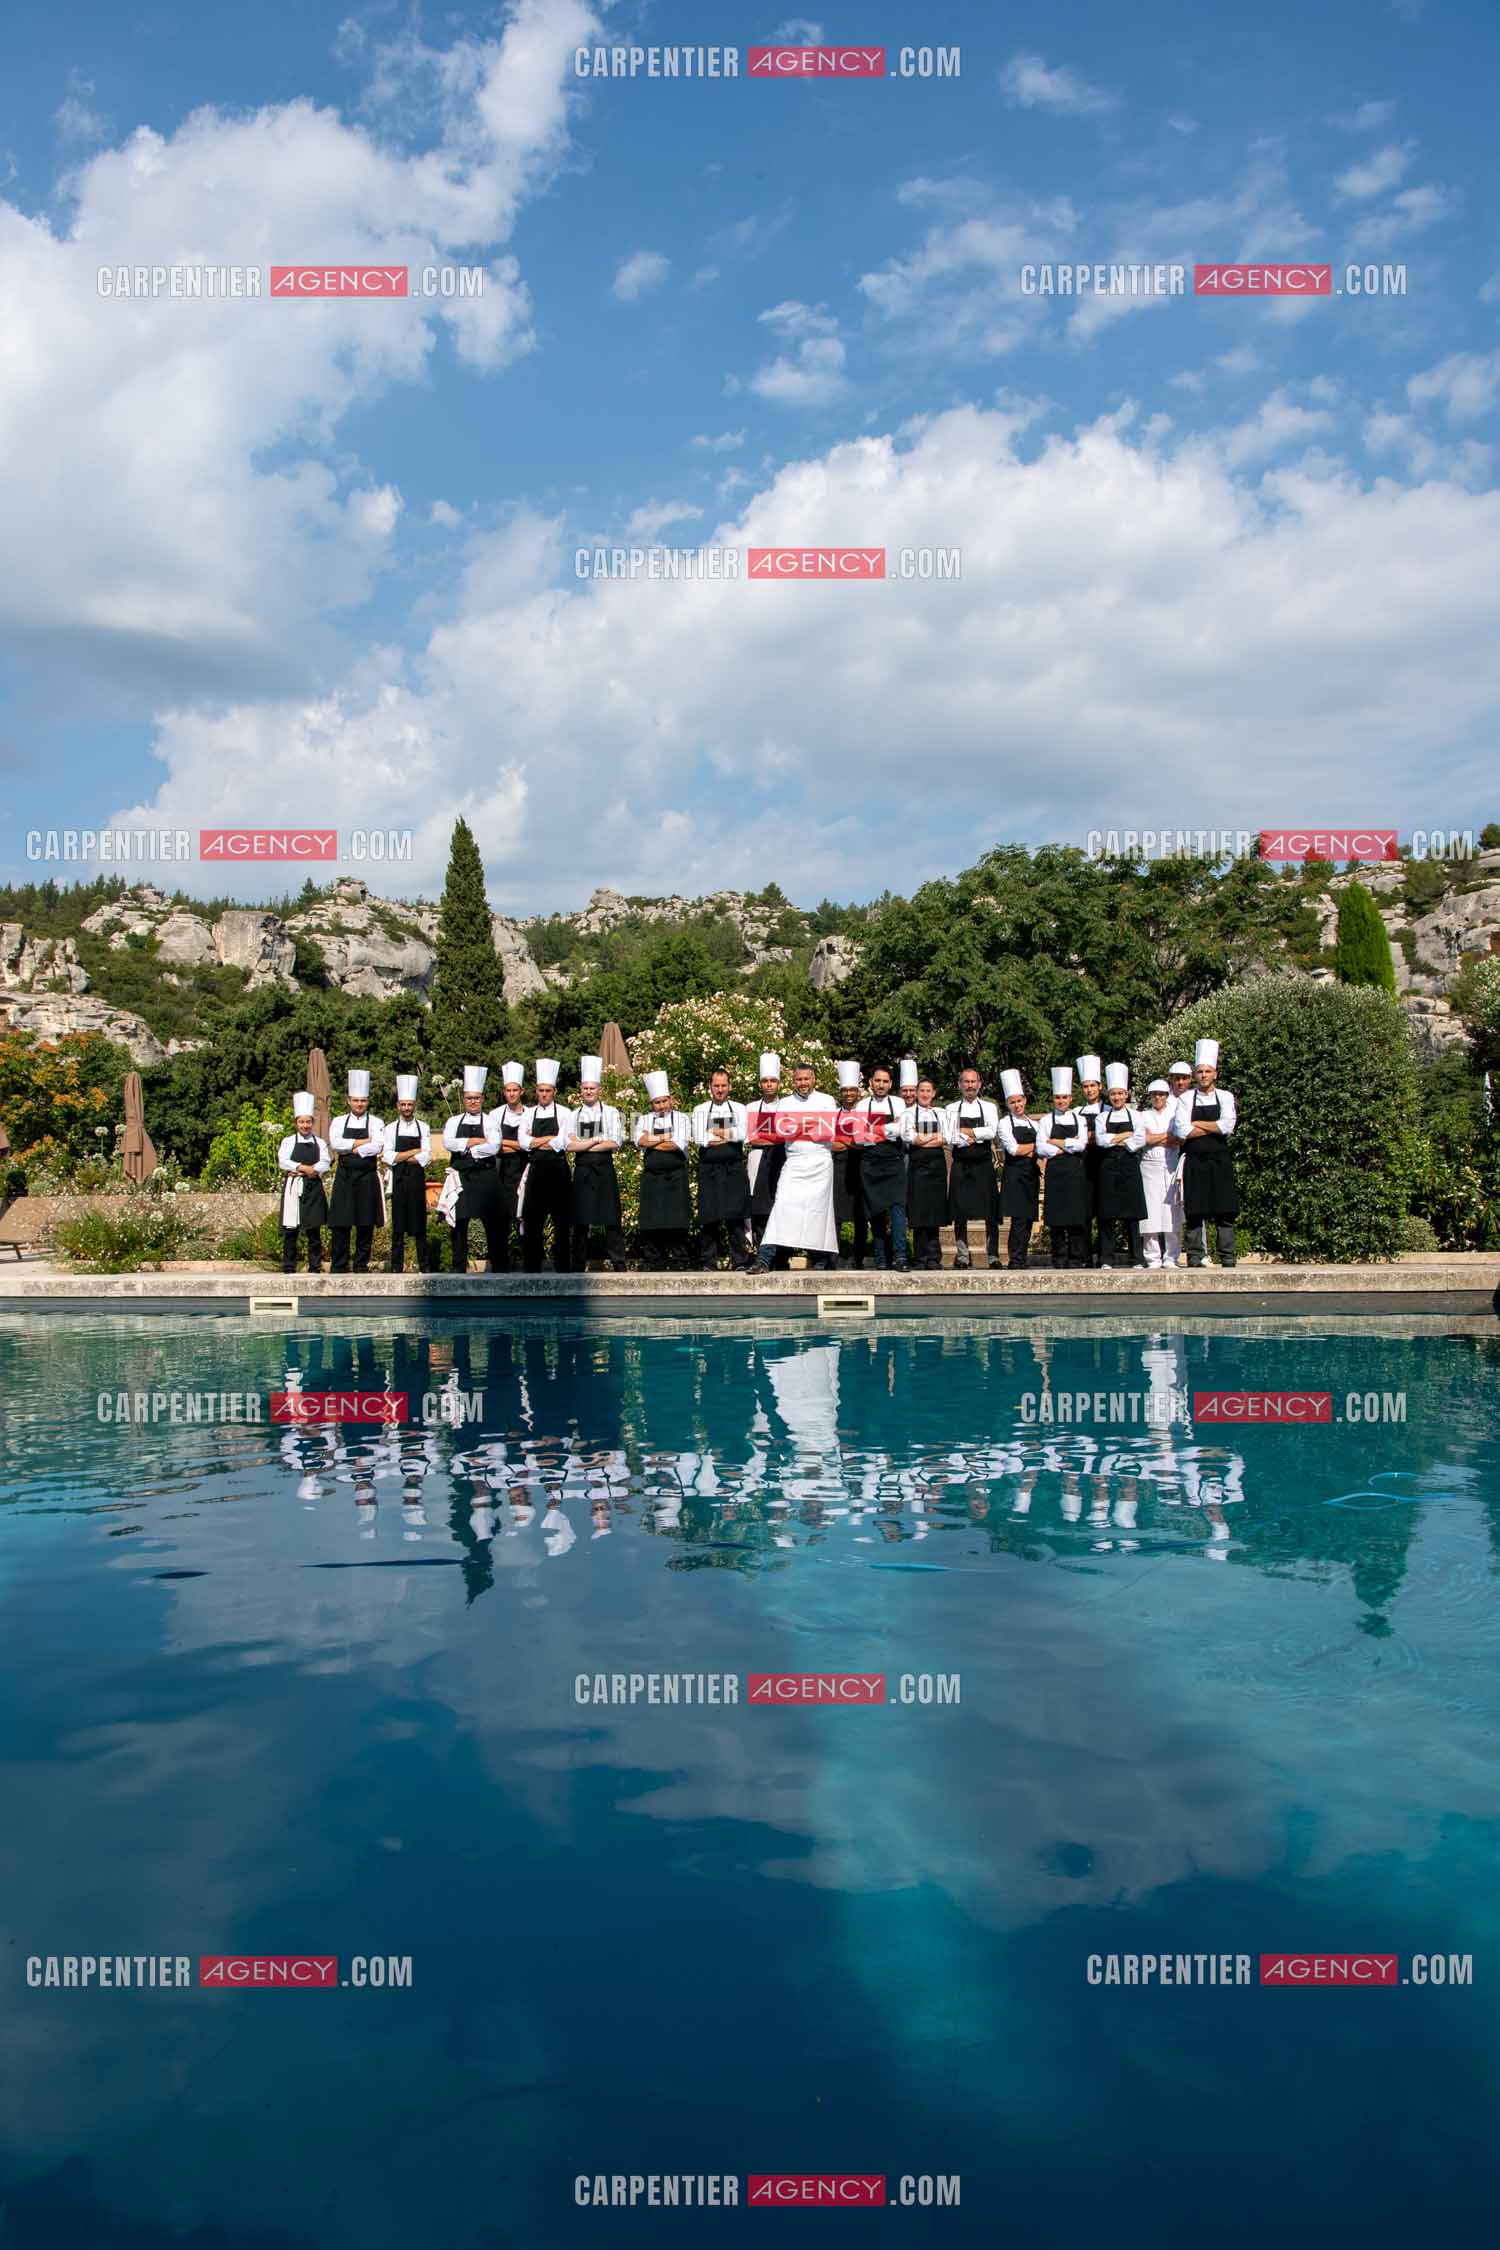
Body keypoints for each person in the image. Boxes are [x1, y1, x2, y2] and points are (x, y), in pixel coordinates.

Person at [759, 1062, 838, 1270]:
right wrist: (811, 1123)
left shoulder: (827, 1100)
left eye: (806, 1079)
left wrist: (797, 1126)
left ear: (814, 1079)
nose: (803, 1083)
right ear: (794, 1081)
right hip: (794, 1162)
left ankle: (820, 1260)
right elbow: (782, 1130)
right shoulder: (785, 1103)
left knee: (818, 1212)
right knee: (782, 1206)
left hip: (820, 1162)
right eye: (799, 1079)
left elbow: (828, 1131)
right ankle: (765, 1258)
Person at [1174, 1037, 1239, 1268]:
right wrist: (1213, 1127)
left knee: (1225, 1209)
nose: (1203, 1075)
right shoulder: (1185, 1099)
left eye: (1207, 1071)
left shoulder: (1226, 1097)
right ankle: (1193, 1255)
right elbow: (1181, 1130)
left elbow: (1228, 1126)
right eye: (1199, 1071)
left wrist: (1197, 1125)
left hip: (1219, 1159)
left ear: (1215, 1074)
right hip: (1194, 1160)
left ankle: (1227, 1257)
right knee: (1195, 1210)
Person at [568, 1055, 627, 1271]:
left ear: (599, 1089)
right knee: (581, 1221)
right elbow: (568, 1145)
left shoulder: (611, 1113)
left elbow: (615, 1142)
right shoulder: (573, 1115)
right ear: (581, 1090)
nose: (589, 1092)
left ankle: (619, 1264)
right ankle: (577, 1265)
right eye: (585, 1088)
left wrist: (583, 1143)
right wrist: (596, 1140)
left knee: (611, 1219)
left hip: (604, 1170)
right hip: (582, 1172)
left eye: (592, 1088)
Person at [444, 1066, 504, 1273]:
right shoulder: (453, 1121)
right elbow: (448, 1143)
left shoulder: (491, 1121)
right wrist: (477, 1141)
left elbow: (494, 1146)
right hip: (461, 1177)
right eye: (469, 1098)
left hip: (486, 1177)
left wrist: (466, 1146)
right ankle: (458, 1267)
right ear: (464, 1098)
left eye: (476, 1098)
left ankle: (498, 1267)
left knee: (492, 1223)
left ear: (482, 1098)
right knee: (459, 1224)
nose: (472, 1101)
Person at [692, 1066, 752, 1271]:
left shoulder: (739, 1108)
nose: (719, 1089)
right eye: (716, 1085)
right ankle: (708, 1261)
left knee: (735, 1217)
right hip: (709, 1170)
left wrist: (714, 1133)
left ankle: (740, 1261)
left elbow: (742, 1134)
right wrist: (728, 1135)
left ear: (730, 1086)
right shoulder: (700, 1109)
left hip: (734, 1169)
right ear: (710, 1087)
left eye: (723, 1085)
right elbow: (701, 1139)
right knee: (710, 1217)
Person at [634, 1070, 693, 1268]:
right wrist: (664, 1137)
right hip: (652, 1176)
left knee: (678, 1218)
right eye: (657, 1102)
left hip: (676, 1175)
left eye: (664, 1101)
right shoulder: (643, 1119)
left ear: (671, 1100)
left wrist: (652, 1140)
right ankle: (652, 1259)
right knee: (651, 1219)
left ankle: (680, 1259)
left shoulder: (683, 1118)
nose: (661, 1106)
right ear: (652, 1104)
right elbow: (639, 1140)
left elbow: (677, 1144)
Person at [853, 1063, 909, 1270]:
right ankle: (881, 1258)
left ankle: (900, 1256)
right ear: (870, 1082)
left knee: (897, 1211)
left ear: (891, 1084)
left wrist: (873, 1129)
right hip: (870, 1164)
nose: (881, 1085)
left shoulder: (899, 1103)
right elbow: (858, 1138)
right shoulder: (861, 1106)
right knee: (875, 1212)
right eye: (877, 1080)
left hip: (894, 1162)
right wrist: (889, 1128)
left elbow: (903, 1131)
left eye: (885, 1081)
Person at [521, 1060, 574, 1271]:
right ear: (536, 1091)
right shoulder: (527, 1113)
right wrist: (548, 1140)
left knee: (562, 1221)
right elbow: (524, 1143)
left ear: (554, 1091)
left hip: (559, 1170)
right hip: (536, 1170)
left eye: (548, 1091)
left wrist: (536, 1141)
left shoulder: (565, 1113)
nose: (544, 1094)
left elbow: (562, 1143)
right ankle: (532, 1267)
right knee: (533, 1220)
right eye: (541, 1091)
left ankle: (563, 1267)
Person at [945, 1066, 1000, 1268]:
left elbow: (992, 1131)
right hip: (960, 1164)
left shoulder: (989, 1107)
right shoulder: (951, 1109)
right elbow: (950, 1136)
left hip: (984, 1164)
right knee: (959, 1212)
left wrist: (967, 1133)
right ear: (960, 1085)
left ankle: (993, 1256)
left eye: (973, 1082)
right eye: (966, 1082)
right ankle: (962, 1256)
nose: (970, 1086)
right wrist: (975, 1134)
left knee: (991, 1212)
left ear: (979, 1084)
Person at [1037, 1065, 1090, 1268]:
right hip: (1055, 1172)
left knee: (1076, 1216)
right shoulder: (1045, 1120)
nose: (1061, 1101)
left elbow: (1082, 1144)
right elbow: (1041, 1148)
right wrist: (1068, 1144)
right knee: (1056, 1217)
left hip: (1075, 1172)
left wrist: (1056, 1142)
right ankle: (1058, 1258)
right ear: (1054, 1099)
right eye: (1058, 1097)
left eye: (1065, 1097)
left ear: (1070, 1099)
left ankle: (1076, 1258)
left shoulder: (1080, 1118)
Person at [1095, 1063, 1147, 1268]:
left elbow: (1140, 1140)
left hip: (1129, 1166)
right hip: (1107, 1167)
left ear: (1126, 1095)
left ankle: (1137, 1258)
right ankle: (1106, 1258)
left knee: (1132, 1214)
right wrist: (1126, 1135)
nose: (1116, 1097)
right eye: (1113, 1094)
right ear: (1109, 1096)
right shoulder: (1101, 1117)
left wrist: (1115, 1139)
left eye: (1120, 1093)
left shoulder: (1136, 1115)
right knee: (1107, 1214)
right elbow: (1100, 1141)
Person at [383, 1074, 432, 1273]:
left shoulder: (424, 1127)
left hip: (417, 1181)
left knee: (420, 1226)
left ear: (414, 1105)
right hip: (399, 1180)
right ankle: (396, 1267)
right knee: (398, 1228)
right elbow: (387, 1157)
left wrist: (400, 1156)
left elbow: (427, 1157)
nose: (406, 1108)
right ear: (397, 1106)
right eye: (403, 1104)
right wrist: (414, 1152)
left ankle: (425, 1267)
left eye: (409, 1104)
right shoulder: (390, 1129)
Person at [278, 1094, 330, 1273]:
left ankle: (315, 1266)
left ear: (312, 1122)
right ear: (296, 1123)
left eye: (308, 1122)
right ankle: (289, 1266)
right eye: (302, 1122)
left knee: (313, 1230)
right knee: (290, 1230)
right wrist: (303, 1168)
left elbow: (325, 1162)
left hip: (313, 1187)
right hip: (294, 1188)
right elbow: (283, 1162)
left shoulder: (320, 1142)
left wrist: (311, 1170)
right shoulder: (288, 1141)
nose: (305, 1125)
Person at [901, 1077, 949, 1268]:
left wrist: (923, 1138)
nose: (925, 1094)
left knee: (934, 1212)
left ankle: (934, 1257)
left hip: (937, 1167)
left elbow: (948, 1137)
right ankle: (920, 1257)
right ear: (916, 1093)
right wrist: (934, 1137)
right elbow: (909, 1137)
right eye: (922, 1090)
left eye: (928, 1091)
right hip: (917, 1166)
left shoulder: (942, 1113)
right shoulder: (907, 1114)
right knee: (918, 1211)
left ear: (934, 1093)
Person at [996, 1068, 1042, 1270]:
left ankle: (1022, 1258)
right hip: (1014, 1175)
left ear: (1025, 1100)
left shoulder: (1035, 1123)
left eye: (1019, 1101)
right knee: (1018, 1219)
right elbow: (1014, 1149)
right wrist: (1035, 1147)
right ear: (1008, 1104)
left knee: (1030, 1218)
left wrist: (1032, 1150)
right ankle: (1015, 1260)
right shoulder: (1004, 1123)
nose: (1017, 1105)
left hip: (1031, 1174)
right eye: (1012, 1102)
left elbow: (1044, 1148)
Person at [1139, 1079, 1184, 1269]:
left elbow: (1178, 1138)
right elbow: (1142, 1138)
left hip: (1170, 1165)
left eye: (1162, 1094)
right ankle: (1152, 1257)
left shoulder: (1175, 1115)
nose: (1158, 1097)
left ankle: (1171, 1257)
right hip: (1148, 1166)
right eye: (1155, 1094)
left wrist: (1154, 1138)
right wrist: (1164, 1137)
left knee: (1172, 1212)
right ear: (1150, 1096)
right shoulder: (1142, 1116)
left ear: (1167, 1096)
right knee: (1150, 1214)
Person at [745, 1051, 786, 1257]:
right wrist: (774, 1137)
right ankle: (761, 1251)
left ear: (778, 1083)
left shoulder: (787, 1106)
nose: (769, 1084)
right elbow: (752, 1138)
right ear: (760, 1084)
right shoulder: (751, 1107)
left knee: (780, 1206)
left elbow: (786, 1136)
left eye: (772, 1081)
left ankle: (781, 1256)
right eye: (765, 1081)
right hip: (757, 1160)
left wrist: (766, 1136)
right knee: (760, 1208)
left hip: (781, 1160)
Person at [490, 1063, 530, 1272]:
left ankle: (528, 1263)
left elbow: (529, 1145)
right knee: (502, 1221)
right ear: (504, 1092)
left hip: (526, 1173)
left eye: (515, 1090)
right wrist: (519, 1145)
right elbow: (494, 1146)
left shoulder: (530, 1114)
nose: (512, 1093)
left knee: (526, 1220)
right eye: (508, 1090)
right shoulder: (495, 1115)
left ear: (521, 1091)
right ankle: (500, 1264)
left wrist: (509, 1144)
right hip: (503, 1174)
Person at [831, 1061, 863, 1265]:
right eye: (846, 1090)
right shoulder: (833, 1113)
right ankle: (833, 1257)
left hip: (860, 1168)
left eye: (852, 1090)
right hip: (837, 1168)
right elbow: (829, 1144)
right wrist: (850, 1141)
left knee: (860, 1215)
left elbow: (864, 1144)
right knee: (836, 1215)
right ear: (841, 1092)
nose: (849, 1093)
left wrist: (842, 1141)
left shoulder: (865, 1112)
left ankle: (858, 1257)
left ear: (858, 1092)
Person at [1076, 1054, 1105, 1266]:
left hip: (1106, 1164)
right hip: (1084, 1165)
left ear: (1100, 1087)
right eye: (1086, 1086)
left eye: (1092, 1086)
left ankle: (1105, 1255)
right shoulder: (1076, 1112)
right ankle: (1084, 1256)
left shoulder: (1110, 1109)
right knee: (1084, 1212)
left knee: (1105, 1211)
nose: (1089, 1090)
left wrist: (1089, 1137)